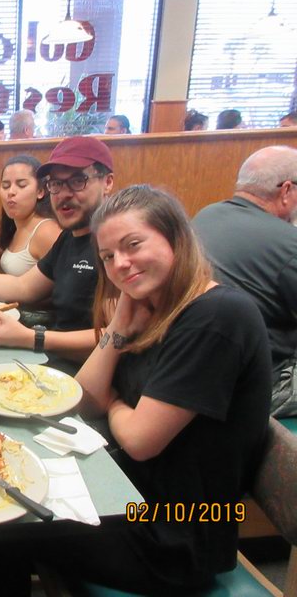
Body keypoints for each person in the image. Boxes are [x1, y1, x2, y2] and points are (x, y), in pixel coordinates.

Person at [61, 185, 270, 592]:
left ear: (176, 237)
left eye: (133, 245)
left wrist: (115, 403)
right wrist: (119, 326)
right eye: (108, 257)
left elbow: (140, 440)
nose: (120, 264)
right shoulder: (153, 310)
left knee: (1, 532)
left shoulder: (217, 317)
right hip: (127, 496)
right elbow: (85, 400)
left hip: (172, 535)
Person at [0, 136, 114, 364]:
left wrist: (32, 338)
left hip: (79, 368)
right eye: (56, 184)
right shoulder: (69, 238)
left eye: (78, 181)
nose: (64, 194)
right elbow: (23, 287)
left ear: (107, 182)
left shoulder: (115, 246)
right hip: (53, 358)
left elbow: (117, 335)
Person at [193, 145, 297, 417]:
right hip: (249, 388)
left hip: (193, 366)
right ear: (286, 191)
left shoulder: (205, 214)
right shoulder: (290, 244)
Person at [0, 155, 61, 276]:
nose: (11, 192)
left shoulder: (47, 232)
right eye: (5, 186)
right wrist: (4, 255)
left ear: (40, 191)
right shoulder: (18, 225)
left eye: (21, 185)